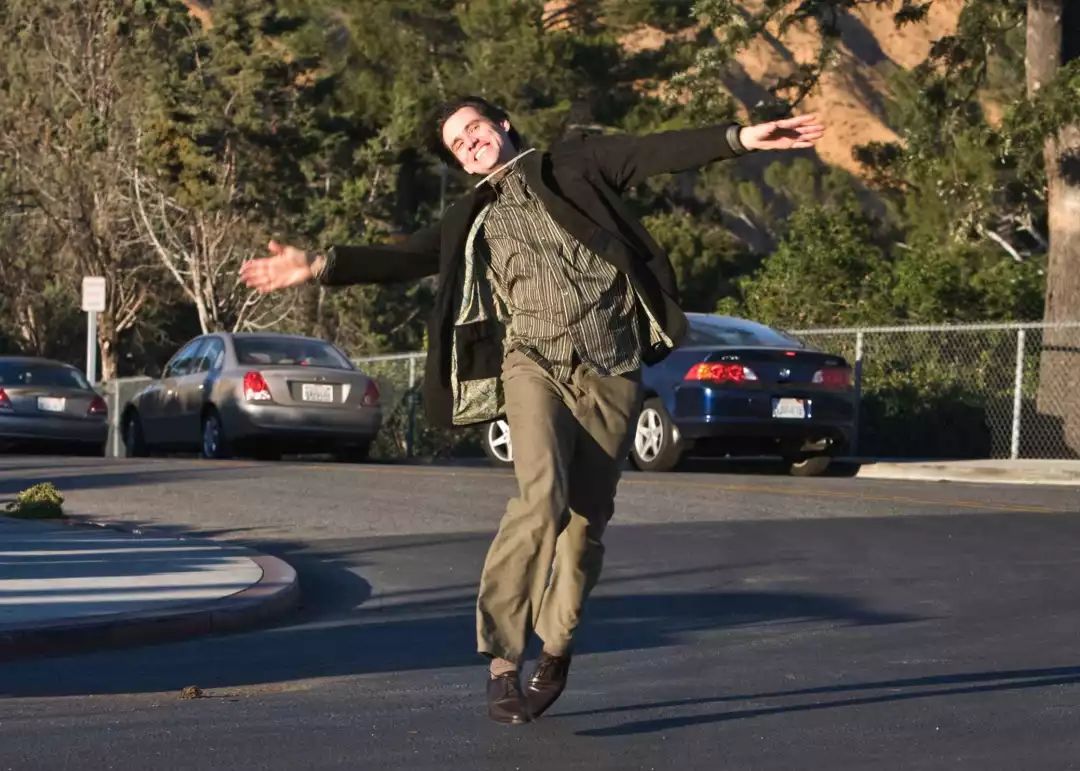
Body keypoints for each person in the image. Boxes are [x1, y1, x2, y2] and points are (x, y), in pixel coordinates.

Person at [239, 97, 824, 725]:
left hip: (611, 368)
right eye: (458, 144)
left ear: (502, 125)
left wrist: (740, 138)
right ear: (461, 163)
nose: (469, 143)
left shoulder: (572, 167)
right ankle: (501, 661)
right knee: (541, 499)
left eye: (474, 129)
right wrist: (318, 264)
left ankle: (556, 648)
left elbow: (652, 150)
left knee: (584, 524)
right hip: (532, 362)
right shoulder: (470, 215)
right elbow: (406, 255)